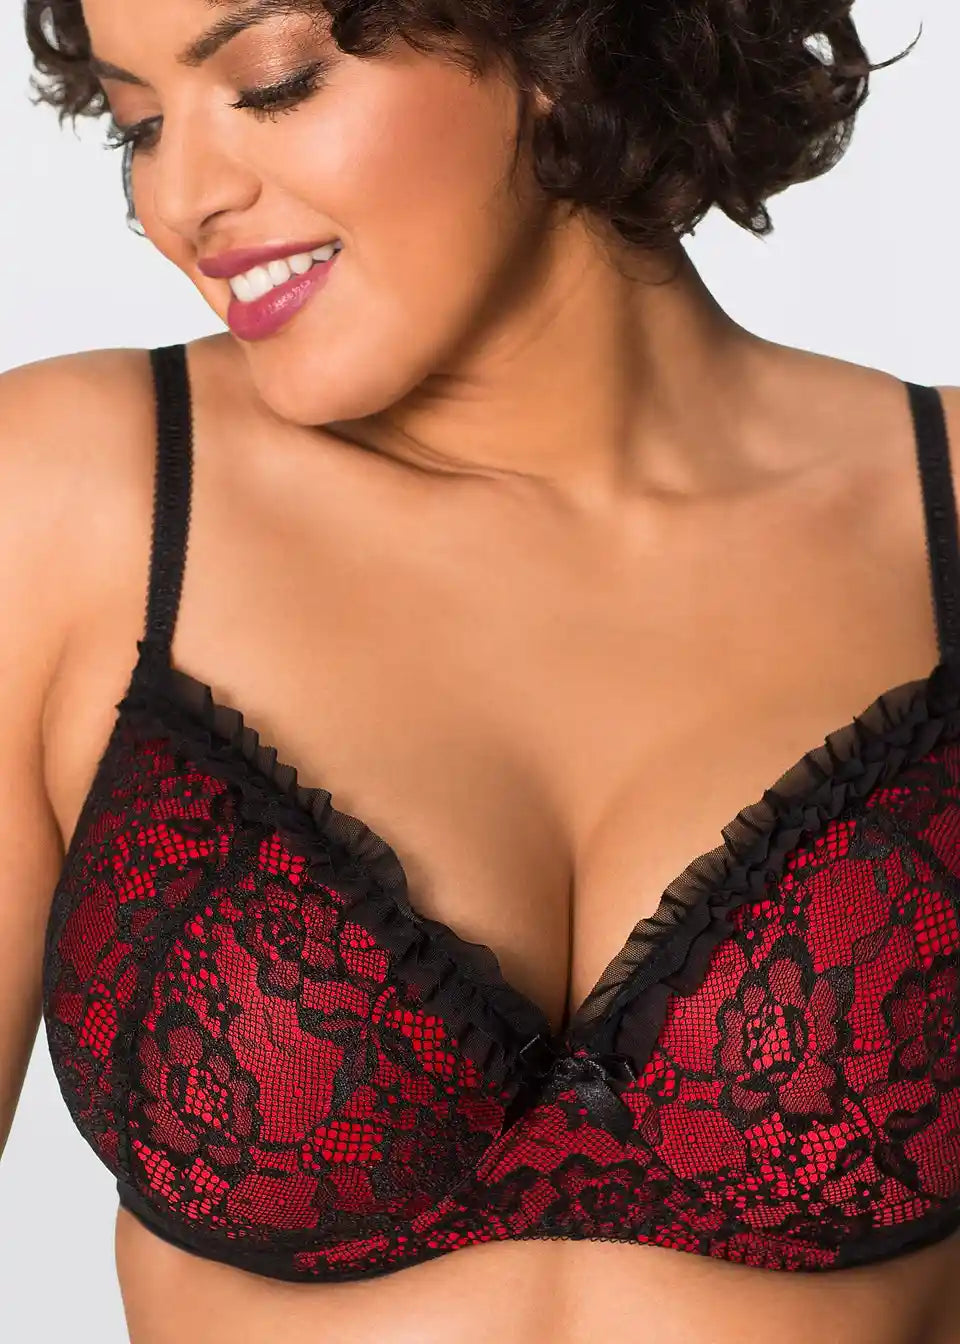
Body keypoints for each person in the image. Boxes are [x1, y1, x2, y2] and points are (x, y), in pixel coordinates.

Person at [2, 0, 959, 1341]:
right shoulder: (71, 494)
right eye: (139, 126)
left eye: (274, 83)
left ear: (563, 46)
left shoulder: (942, 508)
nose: (181, 198)